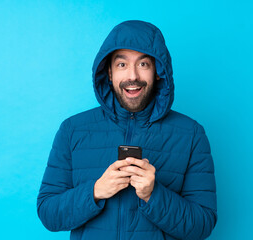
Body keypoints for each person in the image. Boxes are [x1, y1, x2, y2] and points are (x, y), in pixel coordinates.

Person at [37, 20, 217, 240]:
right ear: (109, 73)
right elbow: (48, 213)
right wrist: (95, 191)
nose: (132, 76)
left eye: (143, 64)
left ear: (158, 72)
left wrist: (154, 195)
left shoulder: (191, 135)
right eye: (122, 64)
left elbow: (202, 225)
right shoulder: (72, 130)